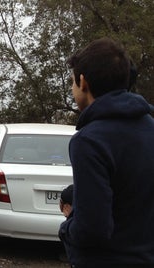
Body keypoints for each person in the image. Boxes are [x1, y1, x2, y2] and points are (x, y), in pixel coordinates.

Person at [59, 37, 154, 267]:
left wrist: (67, 227)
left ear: (83, 82)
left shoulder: (89, 141)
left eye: (72, 82)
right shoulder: (150, 126)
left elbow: (92, 229)